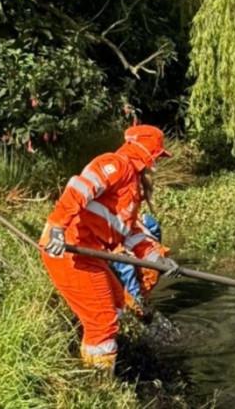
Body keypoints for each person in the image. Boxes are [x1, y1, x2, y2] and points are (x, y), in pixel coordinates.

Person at [40, 125, 178, 371]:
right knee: (102, 321)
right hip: (69, 250)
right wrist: (58, 228)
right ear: (147, 153)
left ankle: (102, 358)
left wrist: (158, 259)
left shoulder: (132, 186)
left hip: (90, 253)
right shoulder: (116, 164)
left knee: (117, 304)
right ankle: (99, 382)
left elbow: (131, 232)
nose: (157, 162)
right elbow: (78, 189)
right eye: (157, 155)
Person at [111, 213, 168, 317]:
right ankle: (141, 303)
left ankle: (139, 307)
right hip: (156, 253)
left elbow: (123, 263)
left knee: (137, 304)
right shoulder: (133, 216)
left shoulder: (109, 234)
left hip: (146, 266)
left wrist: (135, 295)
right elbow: (152, 225)